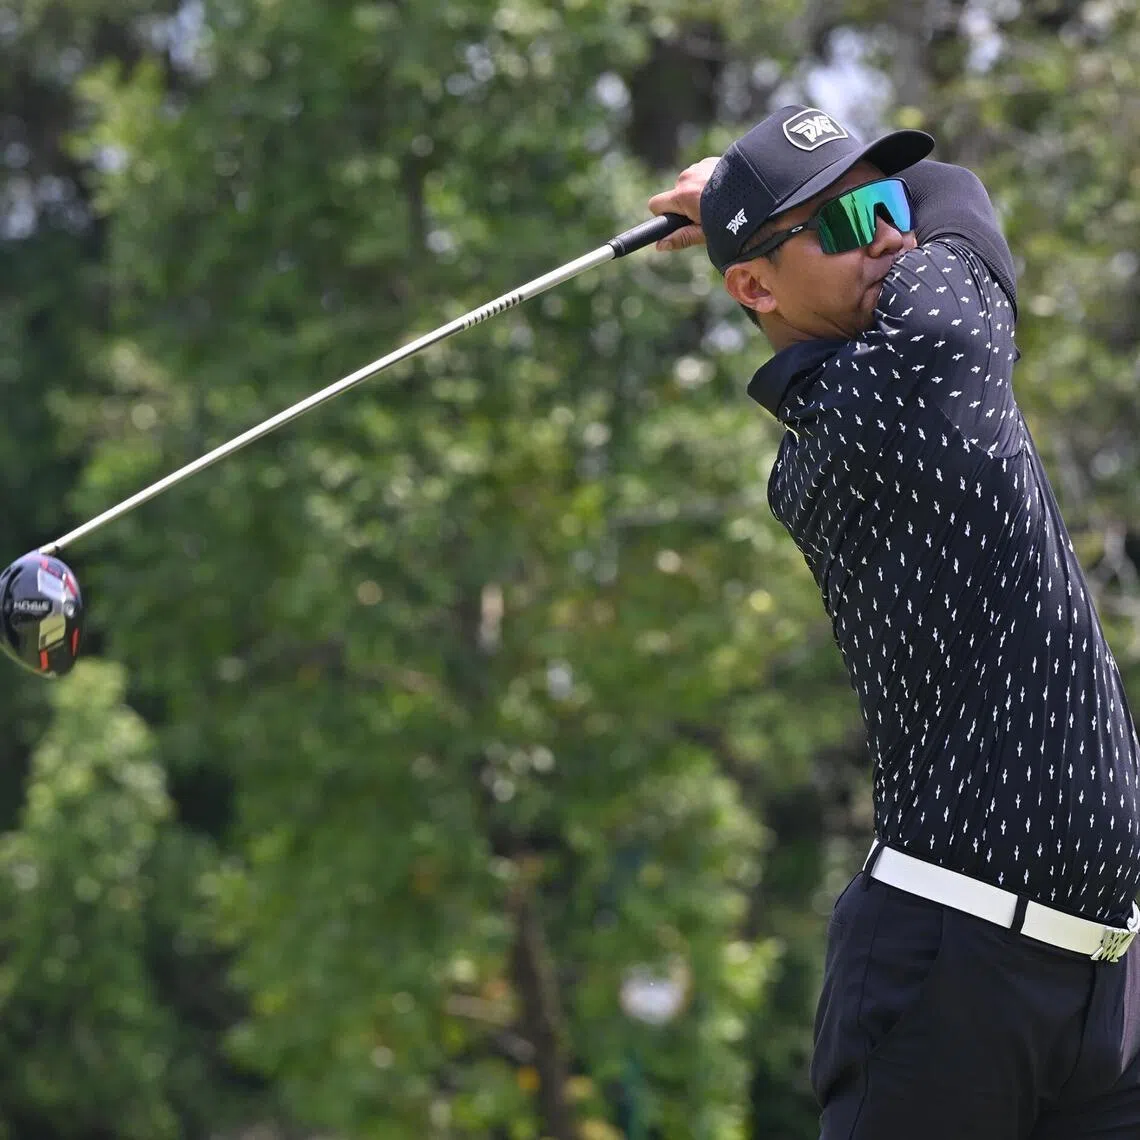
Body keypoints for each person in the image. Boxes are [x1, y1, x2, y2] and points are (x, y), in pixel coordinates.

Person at [648, 104, 1140, 1139]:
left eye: (881, 200)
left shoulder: (886, 370)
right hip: (948, 978)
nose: (887, 232)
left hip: (1103, 979)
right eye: (841, 222)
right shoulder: (905, 378)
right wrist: (730, 192)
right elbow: (960, 198)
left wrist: (747, 196)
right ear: (752, 288)